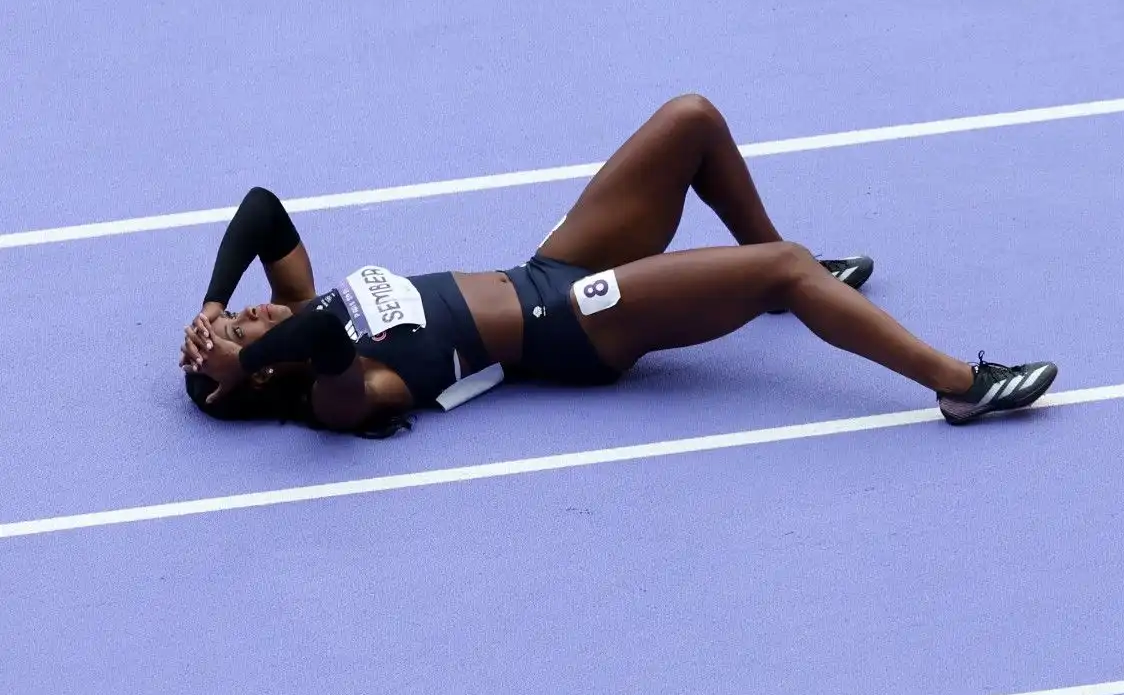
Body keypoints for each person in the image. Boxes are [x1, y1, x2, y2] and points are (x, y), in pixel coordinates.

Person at [179, 94, 1056, 436]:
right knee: (784, 267)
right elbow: (327, 331)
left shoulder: (288, 311)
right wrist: (241, 357)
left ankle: (796, 289)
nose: (258, 314)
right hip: (571, 329)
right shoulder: (334, 392)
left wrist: (216, 303)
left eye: (250, 316)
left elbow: (261, 207)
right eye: (249, 328)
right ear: (253, 382)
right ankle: (957, 383)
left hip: (548, 270)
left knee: (691, 122)